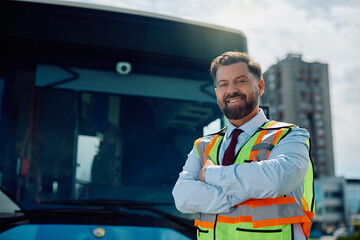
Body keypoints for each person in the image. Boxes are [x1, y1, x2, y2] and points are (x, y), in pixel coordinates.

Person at [172, 51, 314, 240]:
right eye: (223, 84)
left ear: (260, 86)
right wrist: (246, 188)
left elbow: (278, 179)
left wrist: (210, 174)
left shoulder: (290, 136)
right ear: (217, 93)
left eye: (241, 81)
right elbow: (182, 198)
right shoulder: (203, 145)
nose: (231, 90)